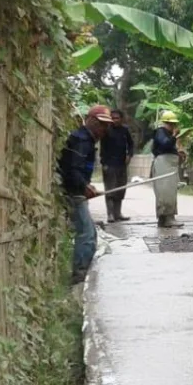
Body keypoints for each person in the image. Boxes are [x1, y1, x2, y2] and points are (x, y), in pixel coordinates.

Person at [59, 105, 111, 284]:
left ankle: (82, 273)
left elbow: (78, 168)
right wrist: (83, 187)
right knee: (87, 235)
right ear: (90, 121)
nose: (103, 129)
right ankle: (79, 278)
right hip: (73, 193)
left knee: (89, 233)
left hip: (77, 191)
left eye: (105, 125)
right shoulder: (82, 140)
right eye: (100, 124)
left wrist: (87, 186)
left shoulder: (87, 140)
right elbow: (72, 169)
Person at [151, 110, 186, 228]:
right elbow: (165, 144)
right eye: (171, 124)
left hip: (169, 166)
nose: (173, 127)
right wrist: (174, 136)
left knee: (170, 192)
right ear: (166, 123)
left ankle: (167, 218)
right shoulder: (161, 132)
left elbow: (169, 148)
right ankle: (166, 218)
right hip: (163, 165)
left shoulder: (166, 134)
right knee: (165, 192)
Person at [100, 108, 134, 223]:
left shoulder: (125, 130)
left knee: (121, 189)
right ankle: (110, 214)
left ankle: (118, 213)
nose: (115, 120)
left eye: (117, 118)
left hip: (121, 164)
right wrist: (104, 163)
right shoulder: (106, 130)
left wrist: (129, 155)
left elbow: (131, 144)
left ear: (121, 119)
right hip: (109, 164)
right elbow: (102, 148)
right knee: (110, 190)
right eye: (113, 118)